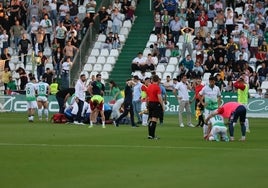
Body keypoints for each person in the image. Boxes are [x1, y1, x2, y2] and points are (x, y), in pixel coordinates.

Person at [146, 75, 164, 139]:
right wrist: (162, 105)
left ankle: (149, 135)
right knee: (155, 119)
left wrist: (147, 105)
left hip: (150, 103)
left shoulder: (149, 87)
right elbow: (159, 97)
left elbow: (147, 97)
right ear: (158, 80)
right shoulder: (157, 87)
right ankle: (152, 135)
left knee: (150, 119)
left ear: (152, 80)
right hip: (156, 104)